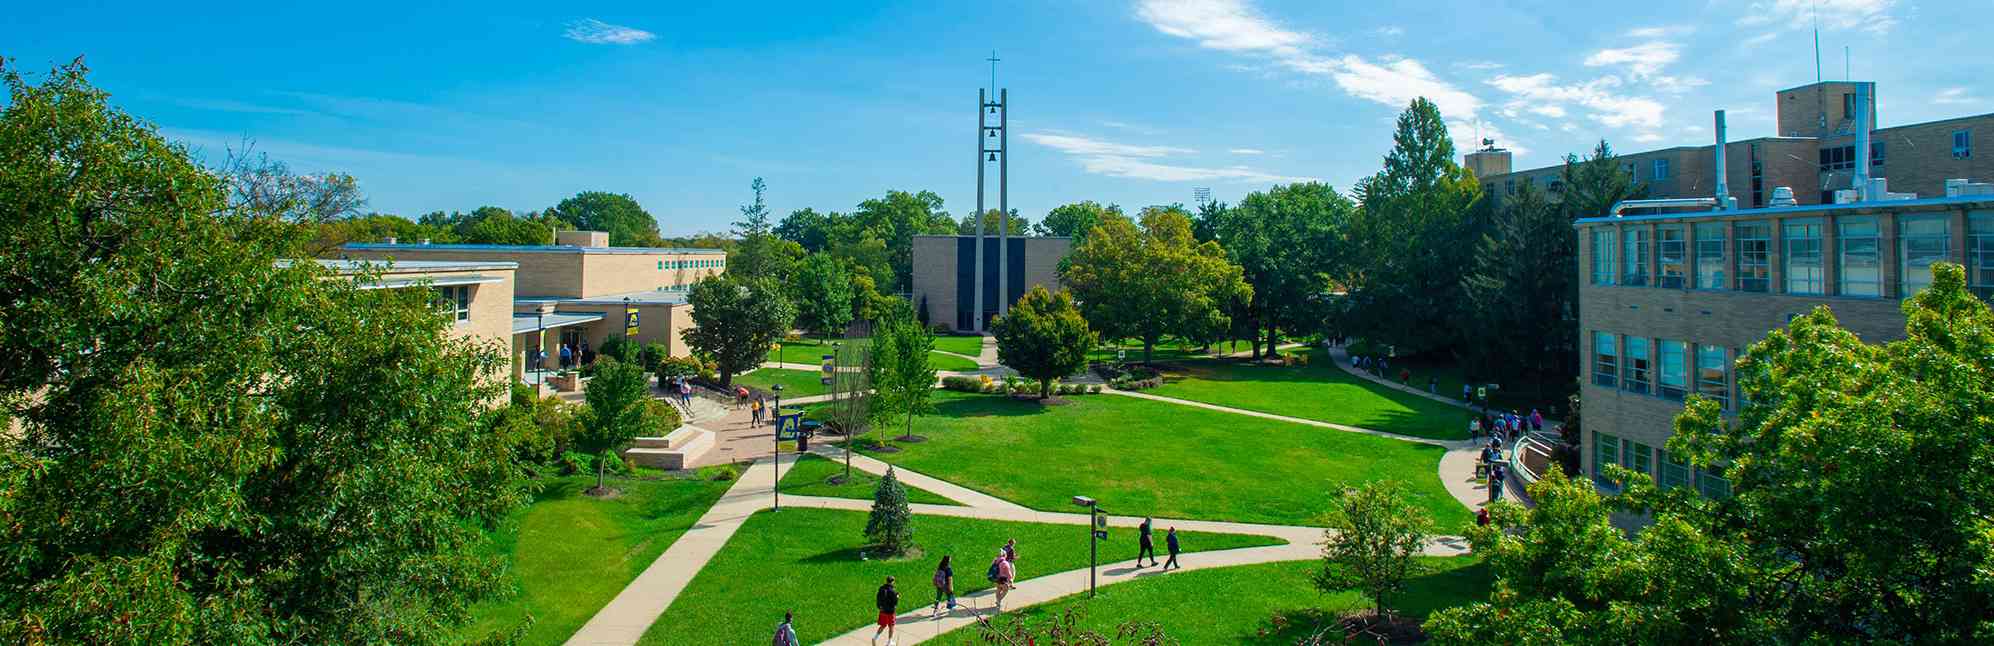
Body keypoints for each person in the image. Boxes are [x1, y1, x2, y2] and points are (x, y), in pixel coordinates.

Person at [872, 576, 898, 644]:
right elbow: (895, 603)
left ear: (886, 581)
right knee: (891, 626)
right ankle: (889, 642)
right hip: (890, 612)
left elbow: (878, 598)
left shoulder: (881, 588)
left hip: (882, 611)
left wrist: (879, 607)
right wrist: (897, 597)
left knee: (883, 625)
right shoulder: (893, 591)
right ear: (892, 582)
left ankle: (875, 637)